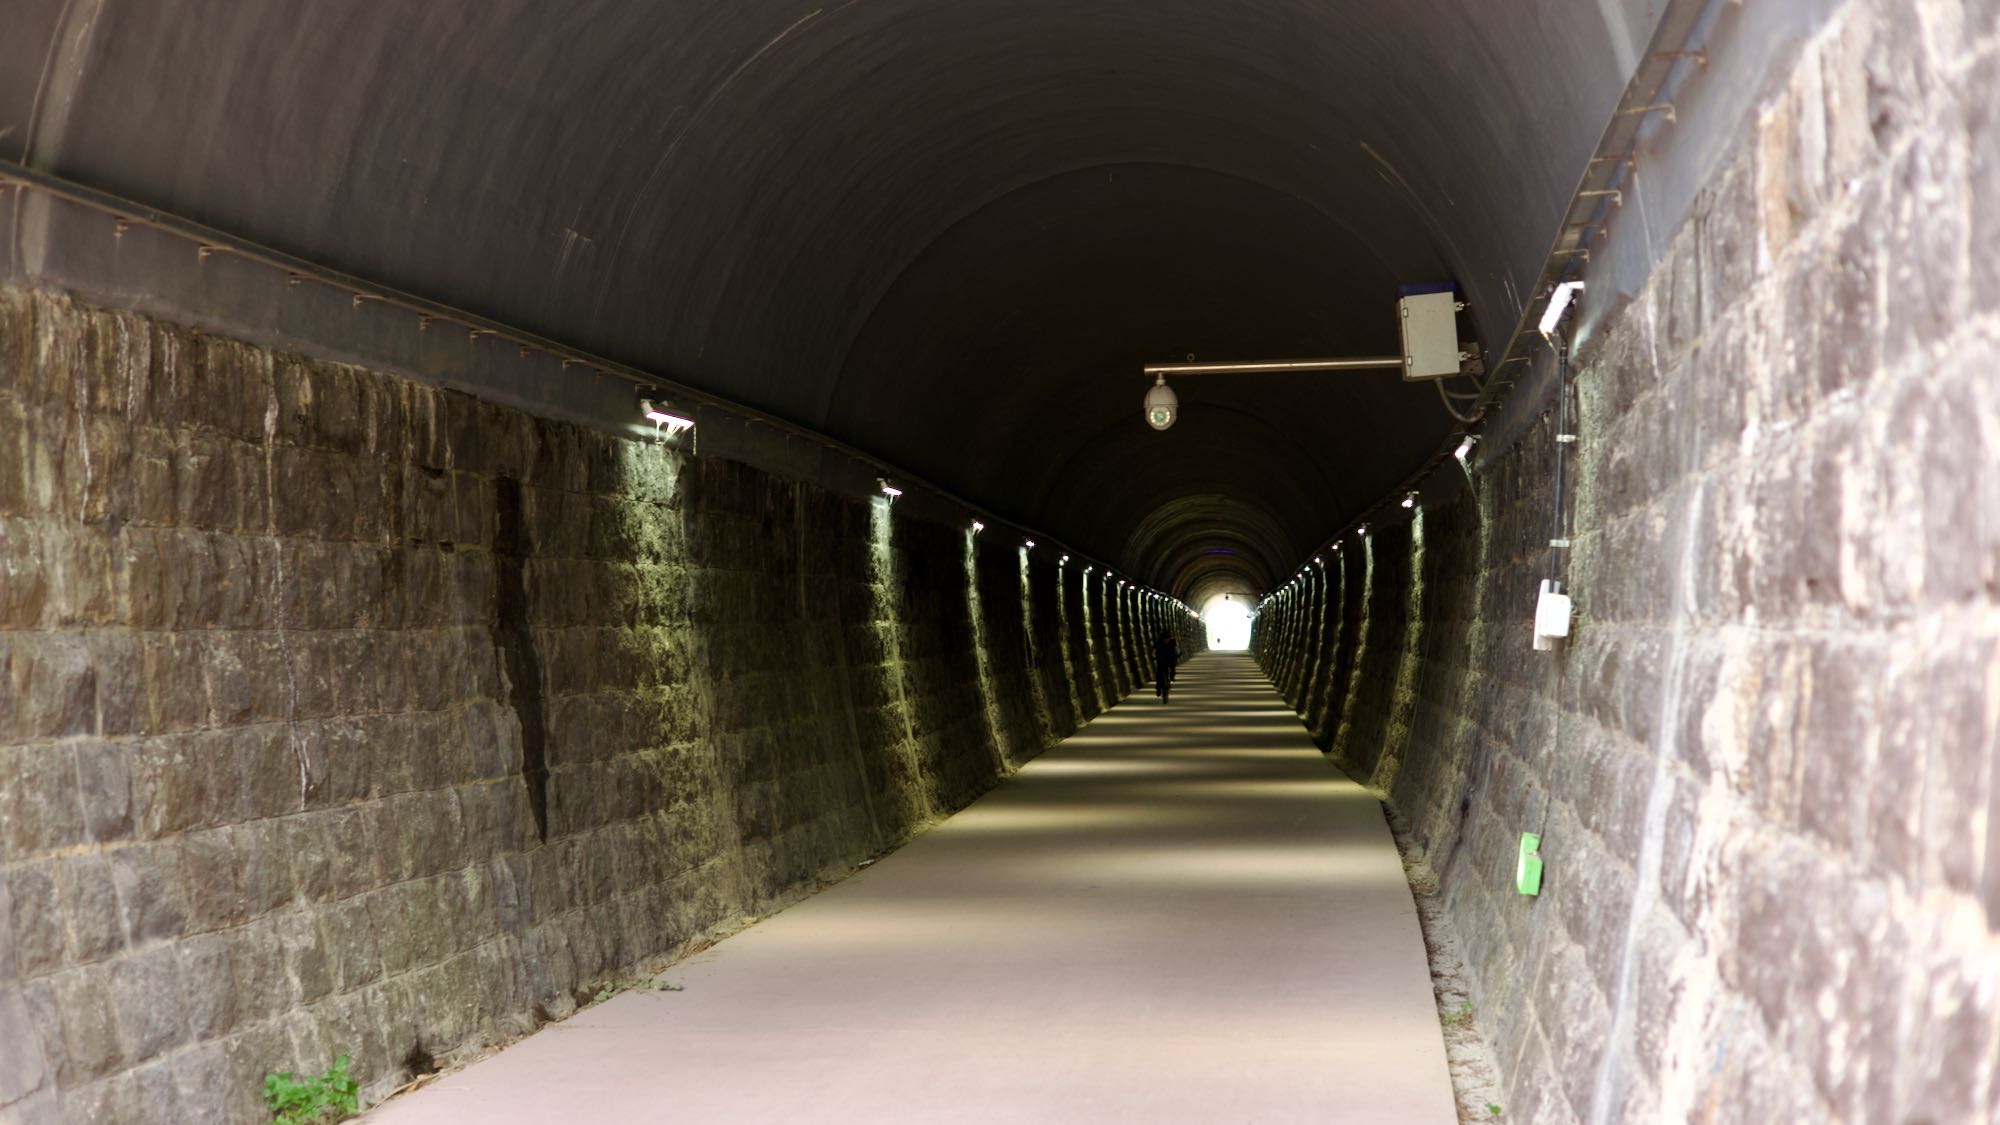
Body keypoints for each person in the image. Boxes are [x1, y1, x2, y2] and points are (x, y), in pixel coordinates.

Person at [1153, 632, 1179, 702]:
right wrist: (1153, 656)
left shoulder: (1172, 643)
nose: (1166, 640)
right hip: (1161, 660)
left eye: (1167, 639)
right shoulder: (1158, 644)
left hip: (1169, 660)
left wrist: (1177, 655)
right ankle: (1158, 687)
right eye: (1165, 639)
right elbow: (1154, 651)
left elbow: (1176, 650)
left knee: (1172, 668)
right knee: (1159, 672)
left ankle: (1171, 677)